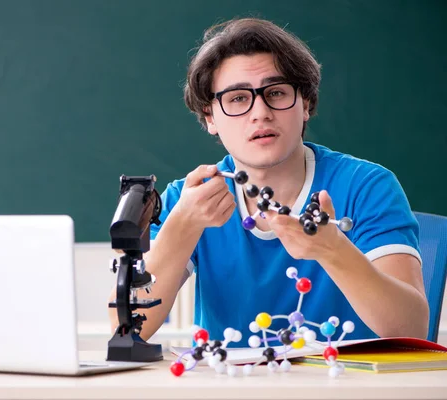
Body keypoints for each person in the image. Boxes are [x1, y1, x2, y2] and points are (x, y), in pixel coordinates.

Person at [108, 17, 429, 346]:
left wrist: (334, 251)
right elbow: (128, 331)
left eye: (275, 93)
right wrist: (182, 227)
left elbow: (411, 329)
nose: (260, 112)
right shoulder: (190, 199)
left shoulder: (366, 186)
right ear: (209, 117)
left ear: (305, 104)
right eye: (237, 99)